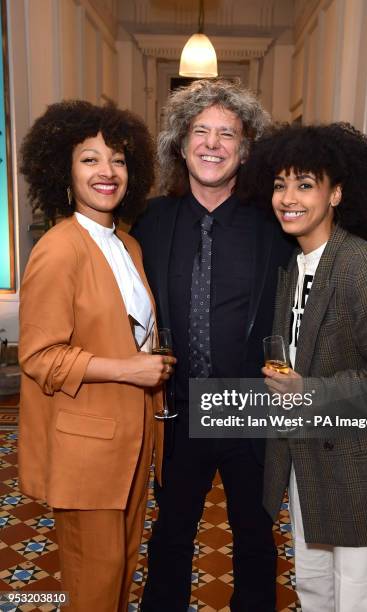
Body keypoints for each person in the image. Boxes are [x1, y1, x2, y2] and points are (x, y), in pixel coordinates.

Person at [238, 122, 367, 612]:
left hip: (363, 469)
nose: (289, 197)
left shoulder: (365, 268)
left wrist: (311, 391)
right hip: (308, 464)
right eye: (280, 184)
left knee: (360, 599)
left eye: (305, 184)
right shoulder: (295, 266)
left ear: (337, 194)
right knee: (313, 588)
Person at [131, 79, 293, 611]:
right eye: (200, 130)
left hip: (250, 411)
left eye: (228, 134)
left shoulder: (274, 224)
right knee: (171, 537)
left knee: (254, 541)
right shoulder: (150, 222)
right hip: (176, 409)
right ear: (181, 144)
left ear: (245, 150)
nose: (213, 143)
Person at [18, 100, 176, 612]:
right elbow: (39, 356)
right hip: (86, 452)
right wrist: (128, 368)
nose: (107, 172)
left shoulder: (126, 244)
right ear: (63, 170)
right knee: (93, 585)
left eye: (118, 160)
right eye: (90, 159)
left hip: (130, 443)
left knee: (120, 575)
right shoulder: (60, 248)